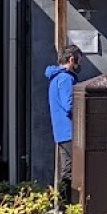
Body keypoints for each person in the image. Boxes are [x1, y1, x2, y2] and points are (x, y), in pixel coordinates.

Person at [45, 45, 82, 185]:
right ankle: (70, 203)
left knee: (67, 170)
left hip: (61, 130)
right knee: (76, 168)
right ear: (72, 59)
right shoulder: (66, 78)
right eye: (79, 61)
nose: (79, 65)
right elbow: (69, 104)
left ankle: (62, 204)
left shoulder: (55, 77)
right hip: (70, 130)